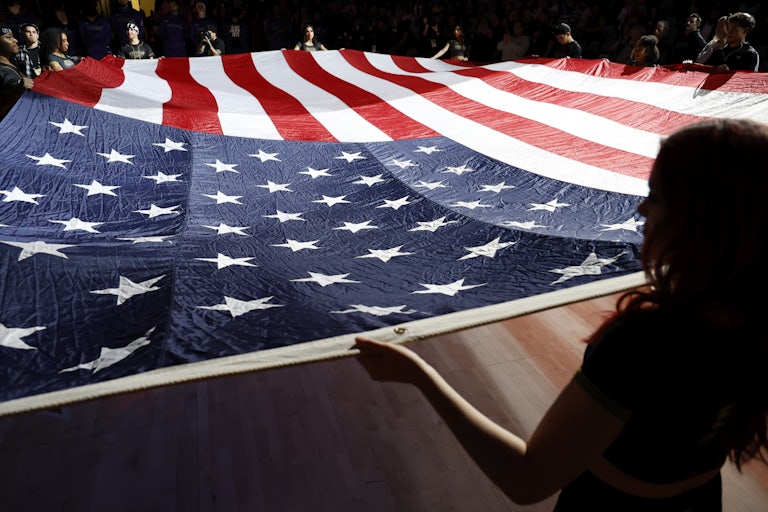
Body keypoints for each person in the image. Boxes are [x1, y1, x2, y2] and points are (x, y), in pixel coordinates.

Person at [355, 117, 768, 510]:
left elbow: (527, 478)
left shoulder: (643, 344)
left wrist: (420, 375)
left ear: (705, 221)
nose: (642, 211)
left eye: (656, 196)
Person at [0, 22, 33, 118]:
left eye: (13, 37)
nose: (15, 40)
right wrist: (17, 90)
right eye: (8, 37)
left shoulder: (12, 64)